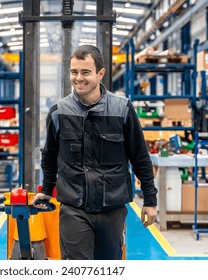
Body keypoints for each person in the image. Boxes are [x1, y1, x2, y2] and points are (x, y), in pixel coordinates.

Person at [31, 44, 158, 260]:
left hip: (112, 207)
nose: (78, 78)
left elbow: (140, 157)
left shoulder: (122, 110)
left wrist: (150, 200)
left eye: (85, 72)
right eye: (74, 72)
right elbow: (49, 156)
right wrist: (47, 188)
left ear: (100, 73)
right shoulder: (59, 112)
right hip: (74, 208)